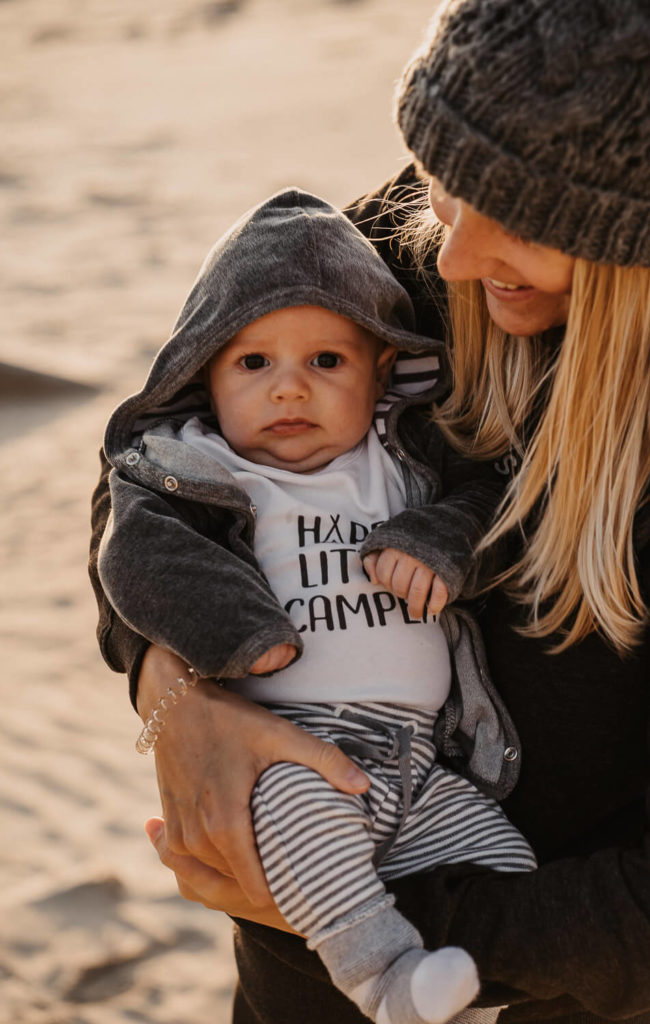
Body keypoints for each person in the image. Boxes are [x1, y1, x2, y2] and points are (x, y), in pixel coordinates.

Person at [88, 0, 650, 1021]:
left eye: (512, 217)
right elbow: (149, 465)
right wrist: (173, 694)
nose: (447, 257)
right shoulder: (413, 243)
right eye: (448, 188)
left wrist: (343, 905)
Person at [96, 188, 536, 1024]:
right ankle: (382, 979)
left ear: (380, 371)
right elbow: (137, 549)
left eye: (325, 362)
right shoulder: (202, 468)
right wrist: (234, 635)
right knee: (306, 832)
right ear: (206, 376)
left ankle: (466, 1000)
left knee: (496, 855)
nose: (288, 390)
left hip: (422, 759)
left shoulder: (401, 459)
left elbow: (487, 500)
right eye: (252, 364)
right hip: (297, 753)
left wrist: (440, 539)